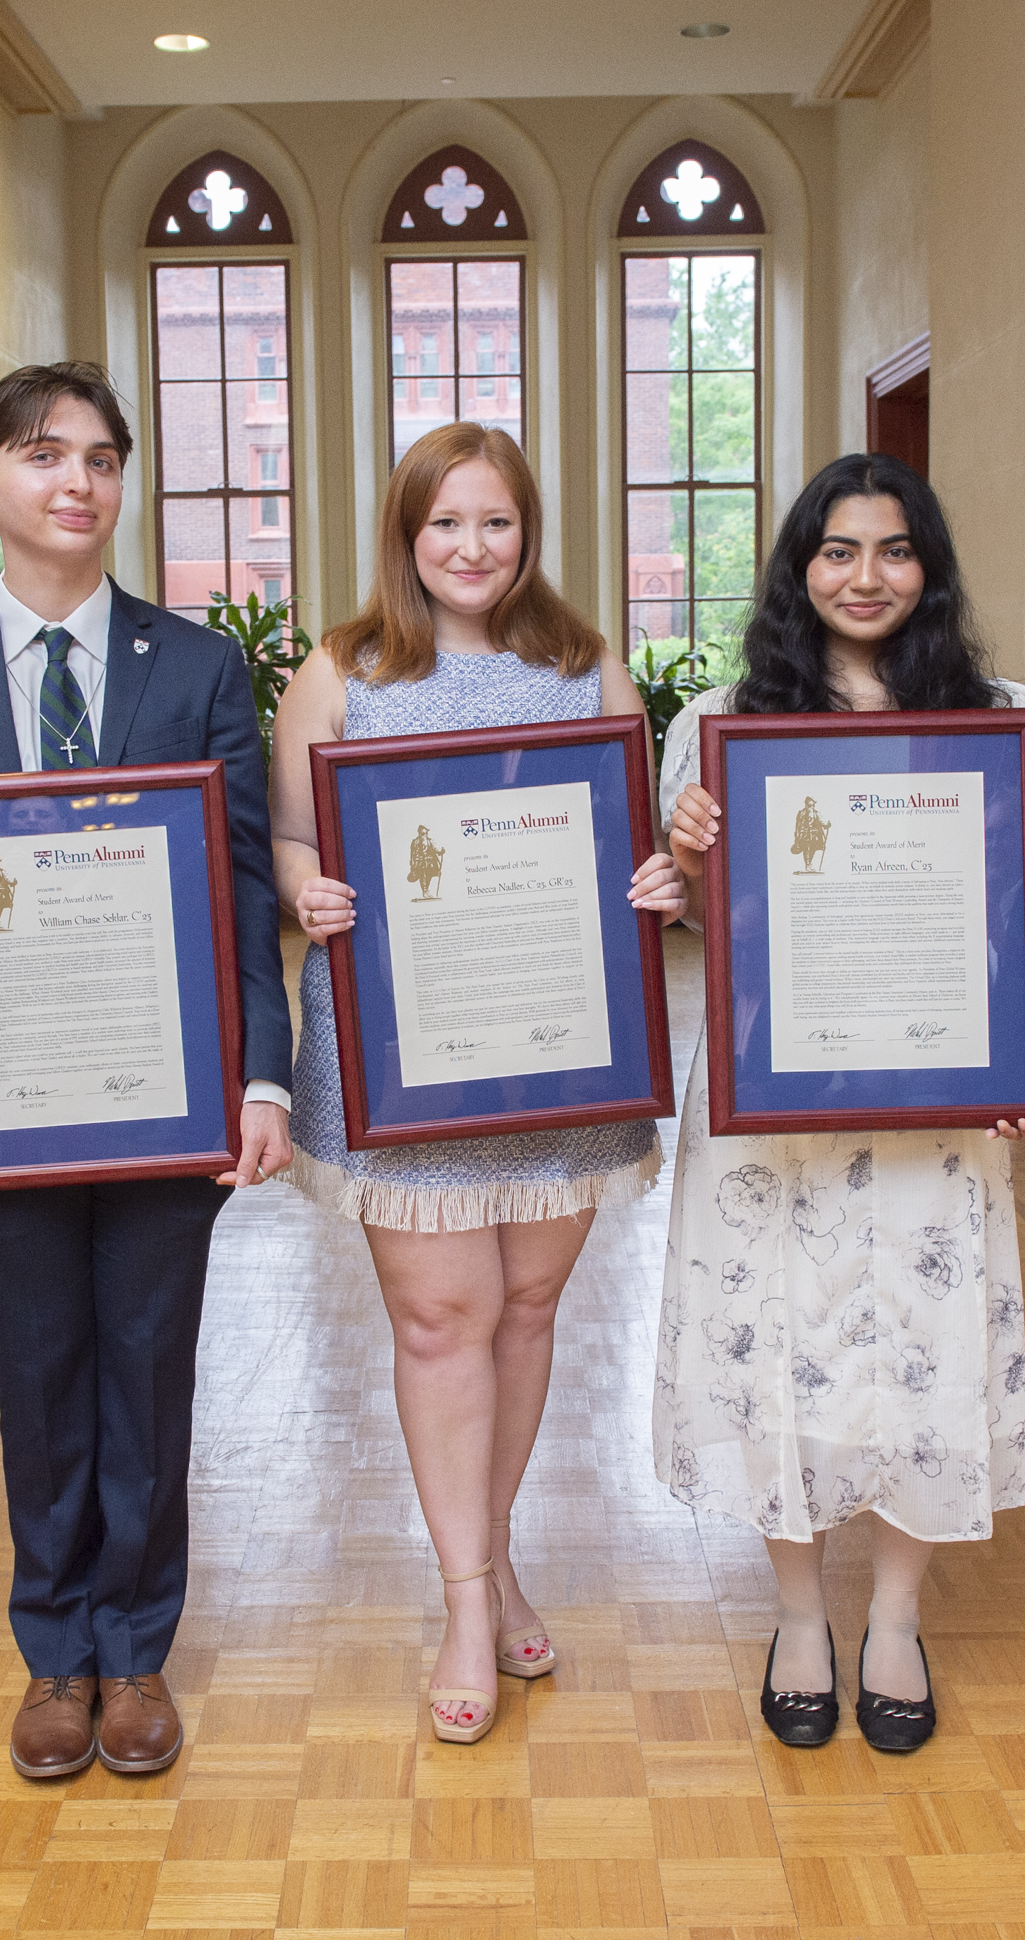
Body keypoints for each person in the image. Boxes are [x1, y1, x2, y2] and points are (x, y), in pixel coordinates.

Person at [0, 362, 295, 1780]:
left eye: (104, 457)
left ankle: (139, 1644)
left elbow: (239, 889)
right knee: (39, 1366)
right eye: (46, 455)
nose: (80, 481)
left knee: (149, 1367)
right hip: (2, 1098)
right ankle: (55, 1649)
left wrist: (265, 1077)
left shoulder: (202, 667)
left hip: (169, 1089)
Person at [652, 454, 1025, 1753]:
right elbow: (697, 924)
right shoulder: (720, 724)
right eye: (839, 550)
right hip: (772, 1103)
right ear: (800, 568)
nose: (868, 575)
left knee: (921, 1346)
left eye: (895, 550)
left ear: (929, 567)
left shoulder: (1008, 717)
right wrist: (686, 853)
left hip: (941, 1105)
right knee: (776, 1338)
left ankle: (893, 1614)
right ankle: (796, 1613)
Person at [272, 422, 686, 1745]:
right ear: (406, 532)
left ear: (529, 532)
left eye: (497, 523)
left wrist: (656, 883)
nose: (471, 548)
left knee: (527, 1307)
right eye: (445, 523)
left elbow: (633, 833)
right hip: (400, 1049)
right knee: (444, 1317)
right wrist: (304, 884)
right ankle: (463, 1598)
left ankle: (497, 1549)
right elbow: (287, 832)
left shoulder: (582, 665)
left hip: (560, 1039)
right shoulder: (340, 670)